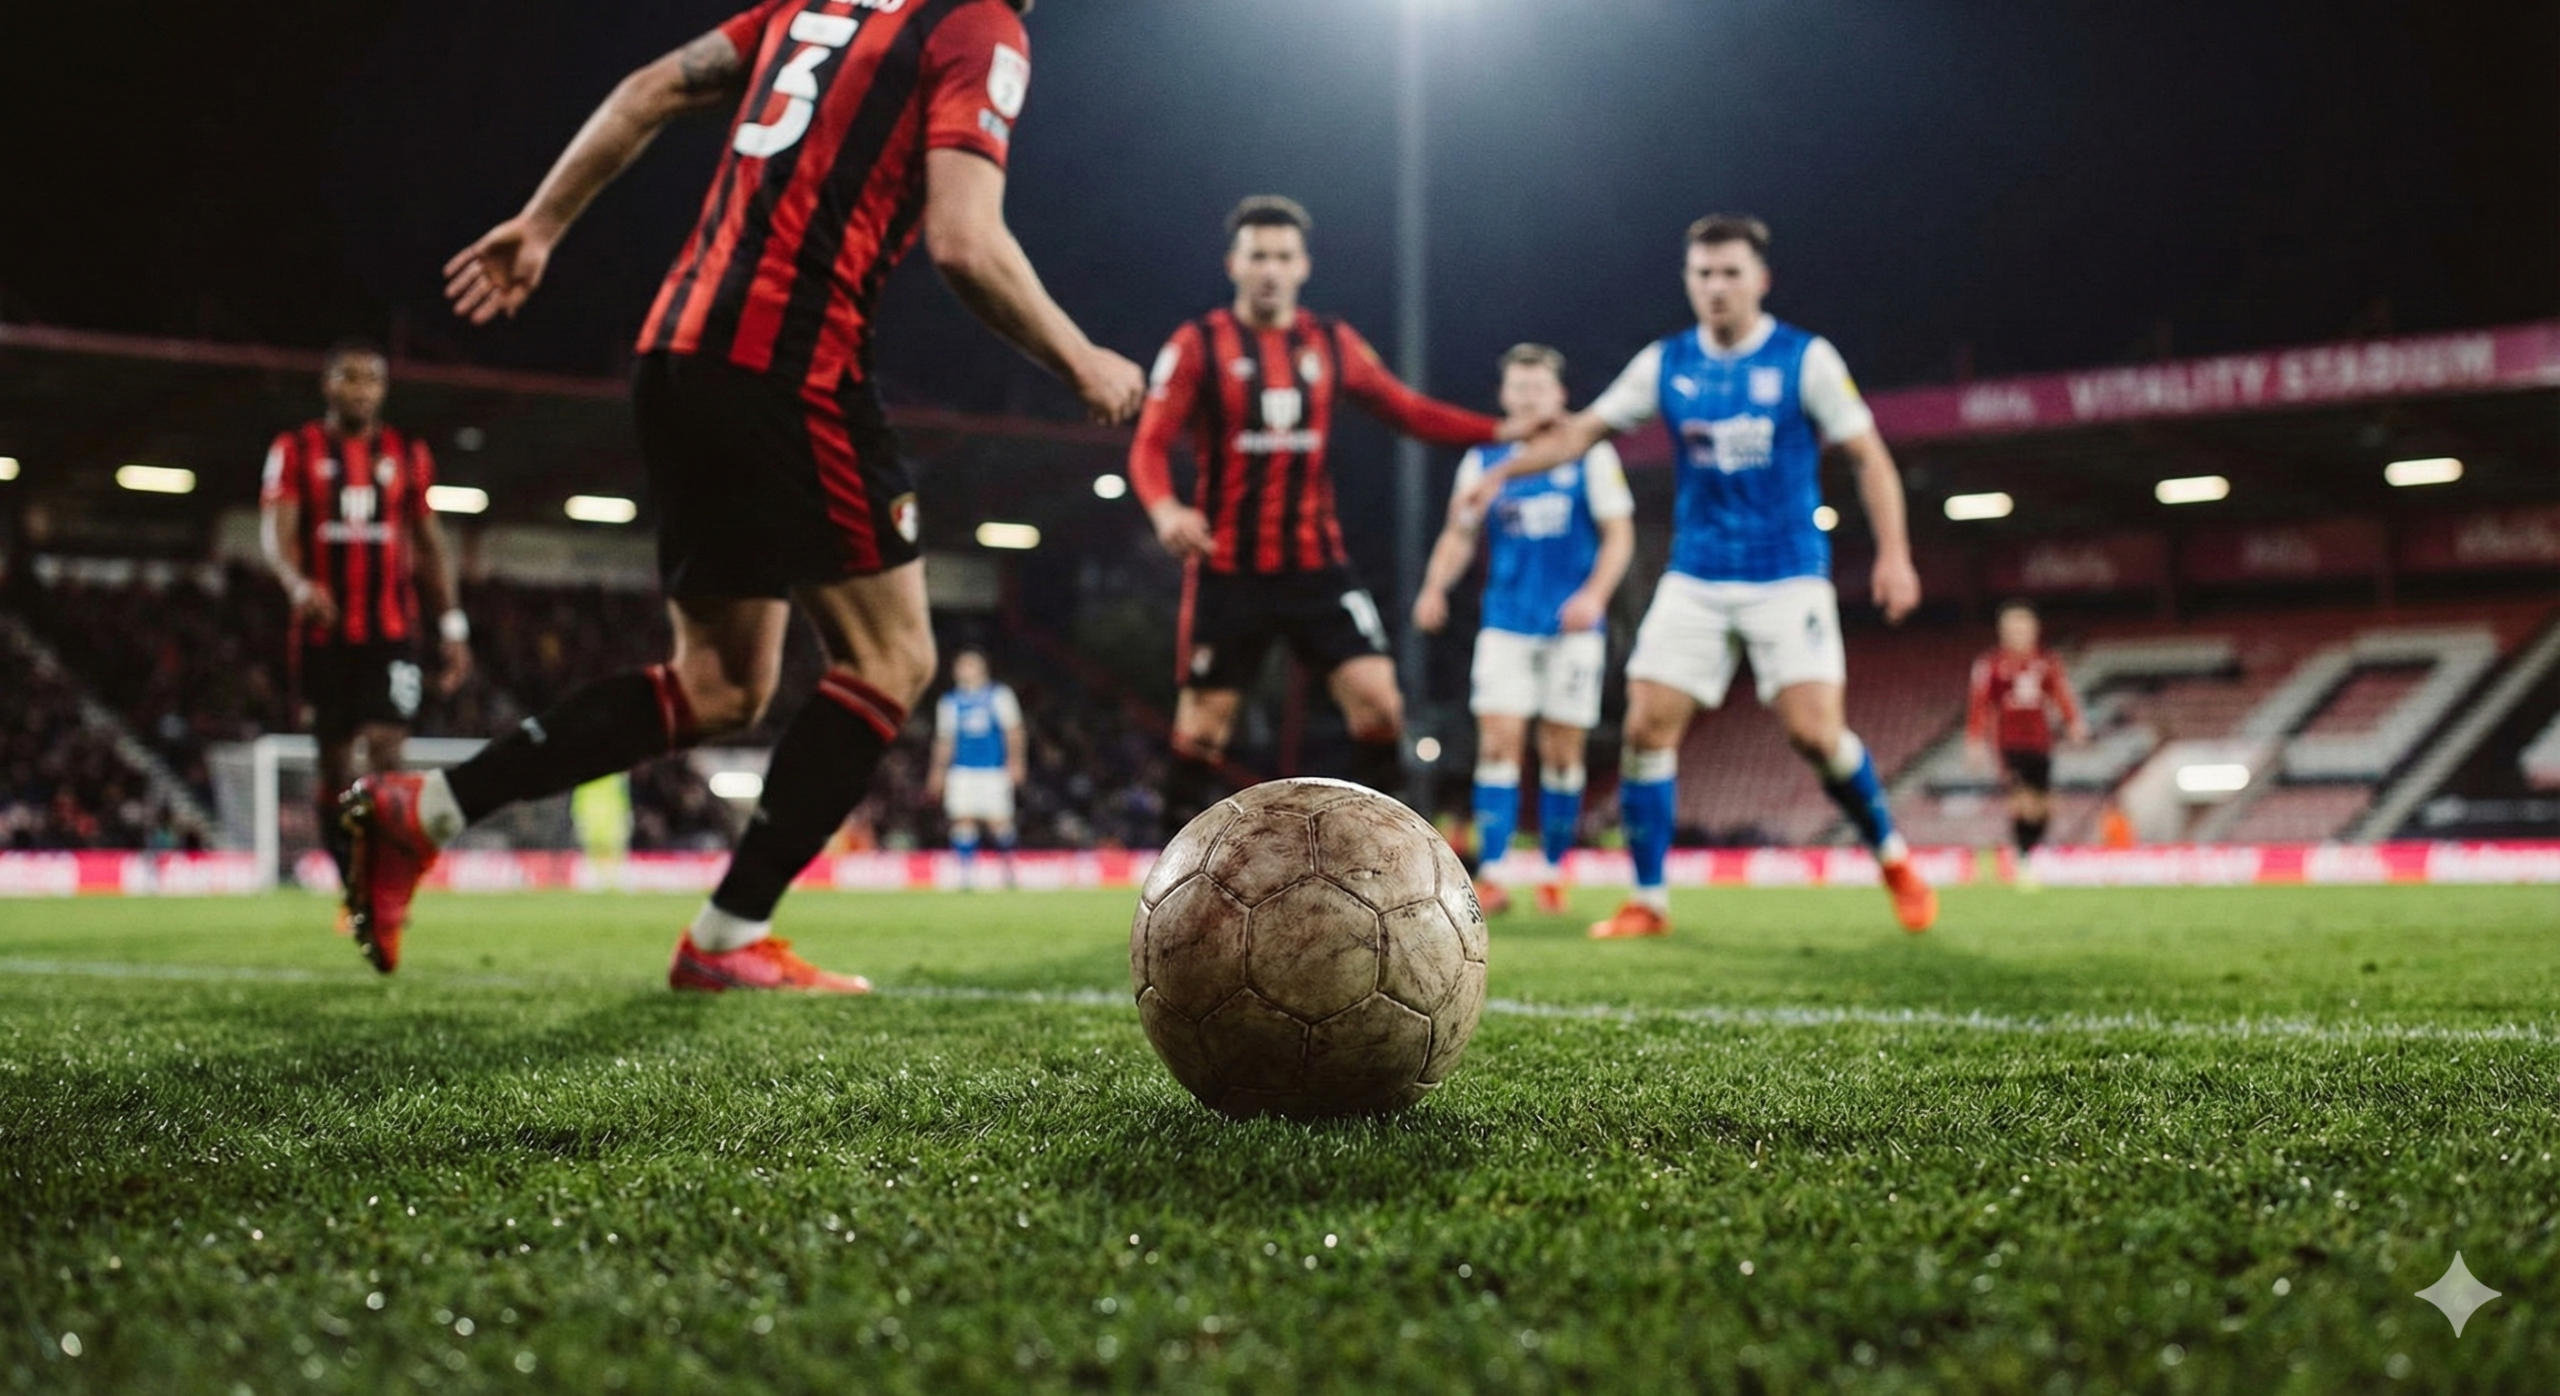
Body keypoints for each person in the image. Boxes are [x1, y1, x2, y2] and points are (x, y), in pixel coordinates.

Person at [343, 0, 1144, 989]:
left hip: (677, 351)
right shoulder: (976, 26)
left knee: (721, 684)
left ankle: (417, 813)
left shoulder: (807, 5)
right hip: (789, 362)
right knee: (893, 656)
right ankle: (725, 938)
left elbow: (646, 91)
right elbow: (964, 242)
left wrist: (542, 224)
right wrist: (1081, 361)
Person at [1462, 215, 1937, 938]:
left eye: (1731, 273)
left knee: (1816, 736)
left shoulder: (1803, 359)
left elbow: (1868, 455)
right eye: (1704, 274)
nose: (1716, 287)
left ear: (1760, 280)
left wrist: (1895, 555)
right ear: (1689, 280)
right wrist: (1499, 476)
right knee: (1647, 725)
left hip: (1787, 577)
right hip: (1696, 576)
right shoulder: (1665, 362)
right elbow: (1581, 432)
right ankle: (1650, 900)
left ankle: (1893, 856)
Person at [1128, 196, 1540, 831]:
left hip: (1318, 567)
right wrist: (1163, 509)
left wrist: (1502, 431)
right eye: (1258, 255)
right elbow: (1151, 442)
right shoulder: (1197, 345)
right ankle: (1171, 883)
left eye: (1283, 256)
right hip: (1228, 569)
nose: (1270, 268)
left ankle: (1385, 855)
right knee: (1204, 730)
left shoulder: (1330, 342)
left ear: (1304, 267)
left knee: (1380, 705)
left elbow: (1408, 410)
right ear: (1233, 264)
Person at [1413, 344, 1635, 917]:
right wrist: (1435, 586)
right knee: (1498, 742)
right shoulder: (1482, 459)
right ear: (1504, 396)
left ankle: (1555, 868)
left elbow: (1618, 534)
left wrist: (1593, 596)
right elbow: (1459, 534)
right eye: (1520, 388)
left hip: (1572, 629)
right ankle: (1497, 871)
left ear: (1560, 396)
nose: (1530, 397)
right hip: (1506, 624)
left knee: (1562, 752)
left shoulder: (1590, 455)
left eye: (1540, 388)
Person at [258, 341, 472, 892]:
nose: (361, 390)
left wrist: (451, 625)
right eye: (350, 379)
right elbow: (276, 533)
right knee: (334, 765)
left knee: (386, 747)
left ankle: (384, 874)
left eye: (372, 380)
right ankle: (348, 874)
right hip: (323, 633)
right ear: (328, 384)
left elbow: (429, 546)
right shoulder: (296, 448)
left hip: (391, 632)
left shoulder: (407, 453)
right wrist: (299, 584)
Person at [1966, 600, 2088, 880]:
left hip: (2040, 742)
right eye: (2012, 628)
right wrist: (1974, 741)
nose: (2019, 633)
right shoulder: (1991, 664)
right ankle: (2021, 859)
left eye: (2023, 627)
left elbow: (2060, 693)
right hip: (2010, 743)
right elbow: (1979, 704)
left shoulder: (2046, 662)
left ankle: (2031, 852)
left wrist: (2074, 723)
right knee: (2023, 803)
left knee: (2043, 805)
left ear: (2034, 629)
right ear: (2003, 632)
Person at [927, 649, 1025, 887]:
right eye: (960, 666)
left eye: (967, 665)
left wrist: (1016, 762)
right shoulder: (950, 701)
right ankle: (966, 875)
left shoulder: (999, 695)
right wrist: (937, 772)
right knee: (962, 819)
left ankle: (1009, 870)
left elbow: (1013, 731)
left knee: (999, 821)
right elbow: (944, 740)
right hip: (962, 770)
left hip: (992, 768)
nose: (961, 670)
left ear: (981, 669)